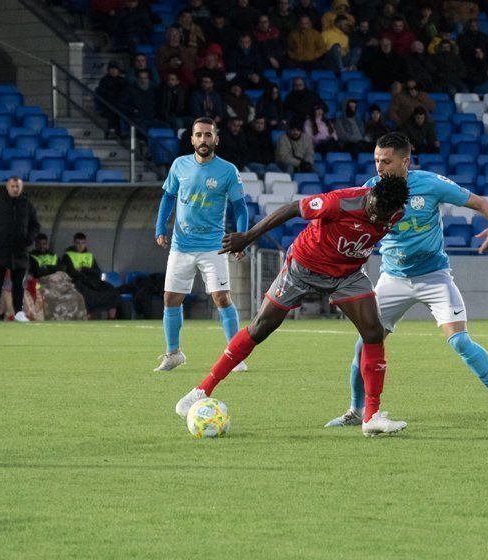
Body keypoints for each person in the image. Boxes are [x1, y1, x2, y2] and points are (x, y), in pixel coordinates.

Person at [175, 174, 412, 437]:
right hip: (304, 268)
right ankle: (201, 390)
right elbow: (291, 209)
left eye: (383, 216)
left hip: (347, 274)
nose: (376, 219)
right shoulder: (339, 202)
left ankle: (372, 417)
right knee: (259, 328)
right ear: (370, 196)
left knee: (373, 333)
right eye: (373, 211)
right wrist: (249, 235)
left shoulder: (395, 211)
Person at [324, 132, 488, 432]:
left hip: (433, 276)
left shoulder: (430, 184)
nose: (379, 167)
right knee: (364, 346)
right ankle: (356, 411)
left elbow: (478, 202)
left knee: (461, 341)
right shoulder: (370, 190)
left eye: (386, 161)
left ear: (405, 161)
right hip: (393, 278)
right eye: (376, 160)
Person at [154, 117, 249, 372]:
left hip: (212, 246)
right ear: (192, 139)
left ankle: (235, 355)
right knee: (171, 299)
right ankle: (173, 353)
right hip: (181, 245)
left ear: (216, 139)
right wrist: (160, 226)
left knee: (221, 298)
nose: (203, 139)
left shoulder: (227, 170)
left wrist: (242, 237)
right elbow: (168, 197)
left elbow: (240, 207)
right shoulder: (179, 165)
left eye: (208, 135)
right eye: (199, 135)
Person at [0, 177, 40, 323]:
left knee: (19, 283)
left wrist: (29, 239)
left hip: (19, 250)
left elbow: (35, 225)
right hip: (0, 249)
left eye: (18, 186)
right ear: (7, 187)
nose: (15, 189)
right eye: (13, 186)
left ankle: (19, 311)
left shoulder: (27, 205)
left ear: (22, 187)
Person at [61, 233, 121, 320]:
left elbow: (97, 272)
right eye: (78, 243)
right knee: (87, 295)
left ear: (86, 243)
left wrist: (83, 269)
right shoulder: (67, 256)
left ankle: (111, 318)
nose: (80, 246)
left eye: (83, 243)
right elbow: (72, 272)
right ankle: (88, 317)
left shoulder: (89, 256)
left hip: (93, 281)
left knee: (111, 290)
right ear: (73, 242)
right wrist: (87, 273)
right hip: (79, 282)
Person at [28, 234, 88, 321]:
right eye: (39, 244)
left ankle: (76, 320)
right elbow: (37, 272)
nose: (42, 246)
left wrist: (48, 270)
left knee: (77, 296)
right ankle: (53, 319)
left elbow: (62, 269)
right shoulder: (30, 256)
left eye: (44, 244)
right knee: (48, 296)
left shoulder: (54, 256)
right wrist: (50, 270)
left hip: (58, 283)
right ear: (35, 244)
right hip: (41, 283)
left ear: (47, 244)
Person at [96, 61, 128, 134]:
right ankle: (113, 129)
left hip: (121, 104)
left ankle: (122, 131)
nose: (113, 71)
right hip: (108, 104)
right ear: (108, 70)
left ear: (118, 70)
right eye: (111, 69)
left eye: (115, 69)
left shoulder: (123, 81)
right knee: (113, 108)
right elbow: (102, 93)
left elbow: (126, 94)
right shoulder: (104, 80)